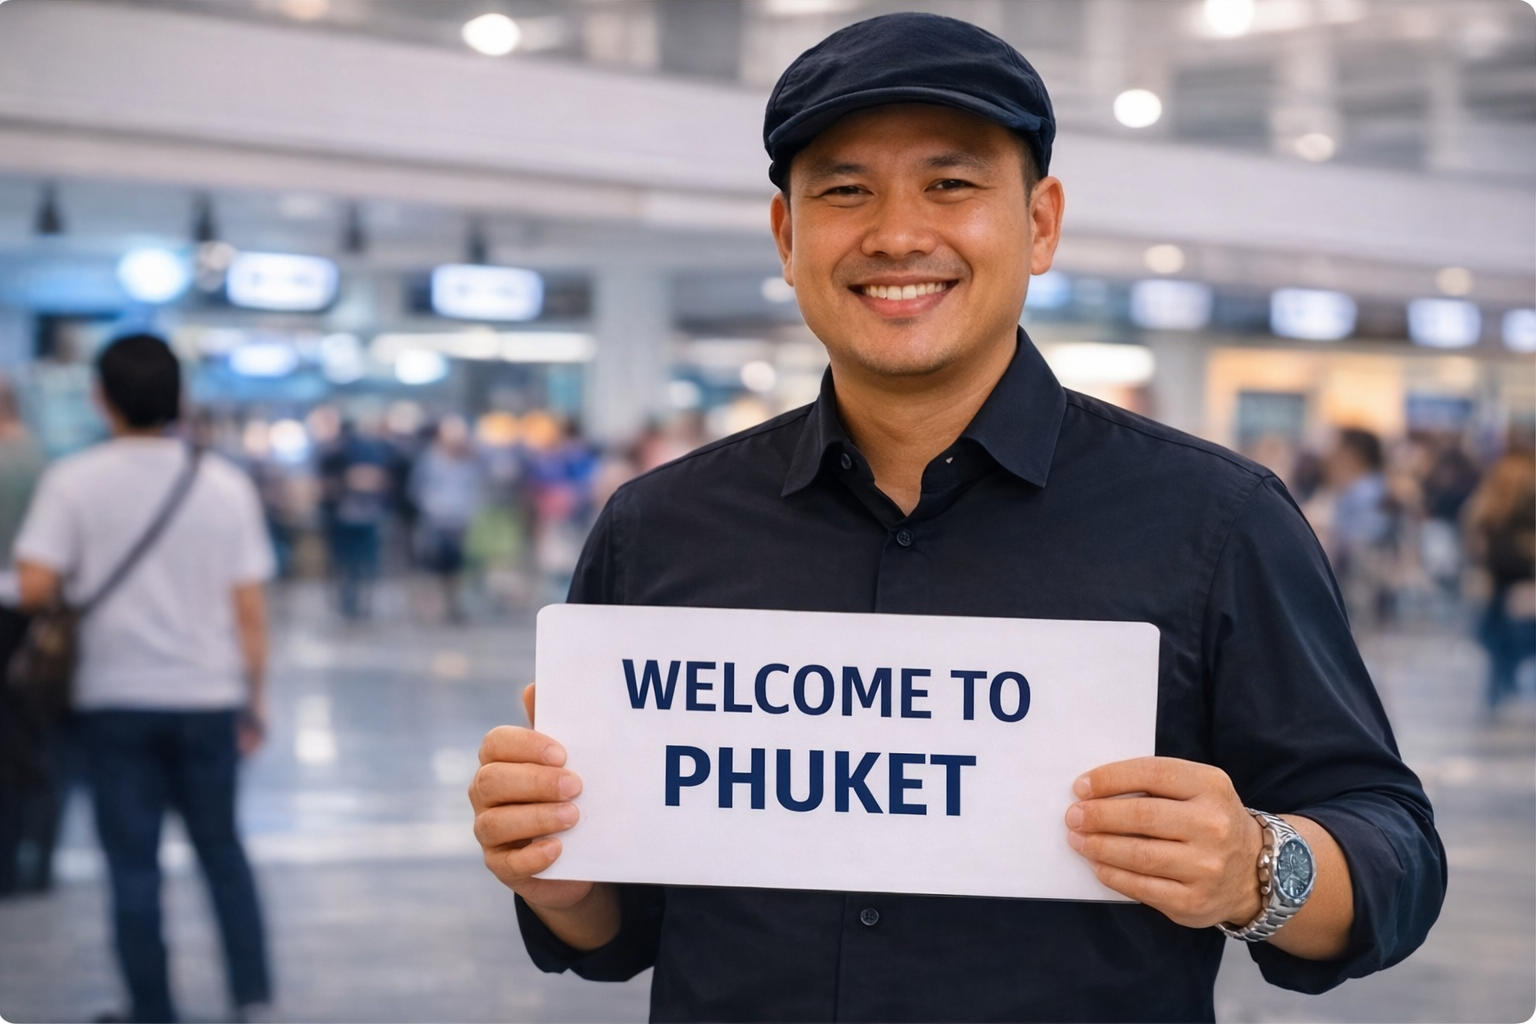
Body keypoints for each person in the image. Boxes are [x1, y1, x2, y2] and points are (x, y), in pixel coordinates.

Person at [469, 15, 1445, 1022]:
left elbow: (1394, 855)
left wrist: (1254, 865)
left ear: (1042, 222)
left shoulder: (1215, 521)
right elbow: (618, 928)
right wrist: (559, 873)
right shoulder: (661, 526)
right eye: (845, 190)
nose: (896, 233)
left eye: (952, 184)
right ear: (786, 234)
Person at [13, 334, 274, 1024]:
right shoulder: (224, 484)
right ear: (179, 399)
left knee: (133, 866)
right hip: (208, 697)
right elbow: (249, 609)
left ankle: (152, 1009)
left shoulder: (74, 481)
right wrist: (255, 700)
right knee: (223, 853)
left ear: (100, 399)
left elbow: (35, 584)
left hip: (112, 700)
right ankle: (252, 999)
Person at [0, 374, 53, 896]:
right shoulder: (42, 462)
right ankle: (38, 861)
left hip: (10, 608)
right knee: (34, 737)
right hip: (34, 610)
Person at [1465, 449, 1536, 713]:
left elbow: (1481, 552)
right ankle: (1502, 697)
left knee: (1500, 651)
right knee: (1504, 651)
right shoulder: (1495, 512)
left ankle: (1500, 698)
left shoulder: (1488, 510)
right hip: (1507, 590)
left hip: (1505, 590)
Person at [409, 415, 485, 622]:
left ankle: (455, 606)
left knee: (459, 568)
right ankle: (434, 607)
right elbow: (418, 490)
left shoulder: (470, 462)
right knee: (433, 566)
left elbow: (477, 489)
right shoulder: (430, 460)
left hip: (462, 522)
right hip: (436, 522)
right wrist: (435, 508)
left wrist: (471, 511)